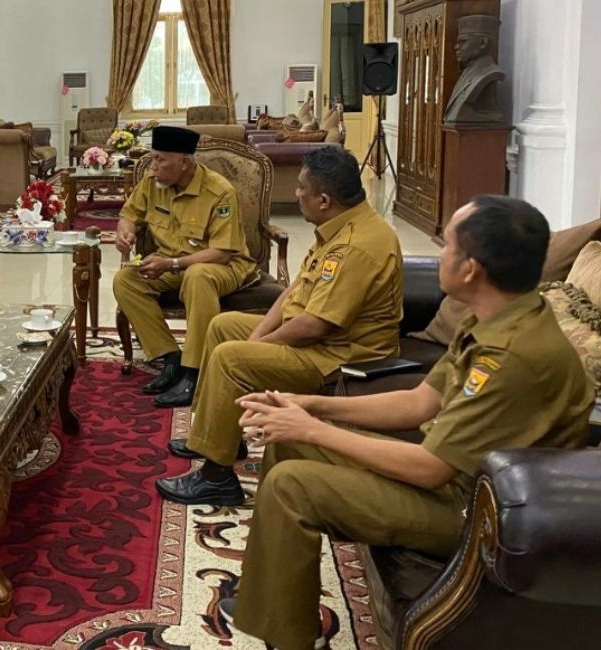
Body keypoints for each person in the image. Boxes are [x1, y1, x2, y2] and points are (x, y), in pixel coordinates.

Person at [223, 195, 593, 650]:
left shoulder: (511, 355)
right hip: (460, 479)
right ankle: (277, 607)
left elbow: (430, 469)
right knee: (289, 445)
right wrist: (310, 406)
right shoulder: (500, 317)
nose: (441, 254)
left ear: (471, 270)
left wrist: (312, 429)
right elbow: (419, 403)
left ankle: (289, 639)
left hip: (479, 513)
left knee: (290, 484)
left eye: (449, 245)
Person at [156, 147, 403, 506]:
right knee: (223, 326)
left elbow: (313, 326)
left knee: (229, 357)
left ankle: (216, 477)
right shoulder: (339, 225)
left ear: (324, 200)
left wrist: (258, 346)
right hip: (319, 341)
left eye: (301, 188)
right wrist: (258, 338)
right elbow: (294, 291)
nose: (296, 193)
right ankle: (222, 437)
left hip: (340, 358)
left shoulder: (357, 246)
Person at [112, 126, 258, 407]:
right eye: (152, 158)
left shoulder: (219, 191)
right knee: (126, 280)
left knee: (198, 276)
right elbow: (128, 215)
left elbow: (222, 253)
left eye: (160, 160)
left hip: (221, 266)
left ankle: (195, 372)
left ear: (184, 162)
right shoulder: (153, 183)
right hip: (172, 264)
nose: (153, 167)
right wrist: (125, 233)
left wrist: (172, 263)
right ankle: (171, 358)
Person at [444, 15, 505, 124]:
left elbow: (458, 114)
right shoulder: (467, 72)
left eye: (463, 41)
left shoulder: (489, 73)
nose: (456, 47)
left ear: (483, 43)